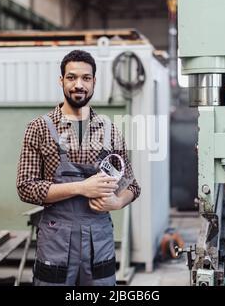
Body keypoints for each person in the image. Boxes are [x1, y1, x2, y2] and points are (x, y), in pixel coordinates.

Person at [16, 50, 141, 286]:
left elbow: (132, 186)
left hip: (99, 242)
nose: (78, 85)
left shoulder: (110, 131)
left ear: (94, 82)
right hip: (56, 241)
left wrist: (117, 202)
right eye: (71, 77)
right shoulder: (39, 128)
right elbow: (26, 188)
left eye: (86, 78)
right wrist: (82, 187)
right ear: (61, 80)